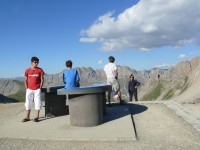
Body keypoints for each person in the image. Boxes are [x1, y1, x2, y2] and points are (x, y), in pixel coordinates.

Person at [22, 56, 45, 122]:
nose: (36, 63)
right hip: (29, 89)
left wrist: (40, 88)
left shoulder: (40, 70)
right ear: (32, 62)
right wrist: (27, 88)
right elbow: (25, 79)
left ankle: (36, 117)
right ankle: (27, 117)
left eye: (37, 62)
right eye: (35, 62)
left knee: (37, 102)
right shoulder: (27, 70)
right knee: (28, 103)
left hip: (37, 89)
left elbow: (42, 79)